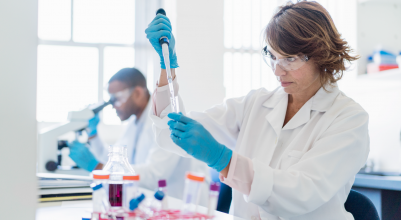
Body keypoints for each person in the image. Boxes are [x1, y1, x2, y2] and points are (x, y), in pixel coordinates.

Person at [146, 1, 369, 219]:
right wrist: (167, 66)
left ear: (321, 54)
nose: (277, 71)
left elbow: (301, 193)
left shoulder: (348, 119)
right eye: (272, 56)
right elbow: (170, 133)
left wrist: (223, 160)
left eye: (289, 59)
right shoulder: (256, 104)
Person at [68, 68, 209, 203]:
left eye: (116, 99)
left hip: (183, 206)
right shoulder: (135, 123)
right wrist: (93, 135)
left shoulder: (165, 119)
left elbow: (155, 175)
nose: (113, 106)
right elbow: (114, 160)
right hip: (156, 203)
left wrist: (98, 168)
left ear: (137, 93)